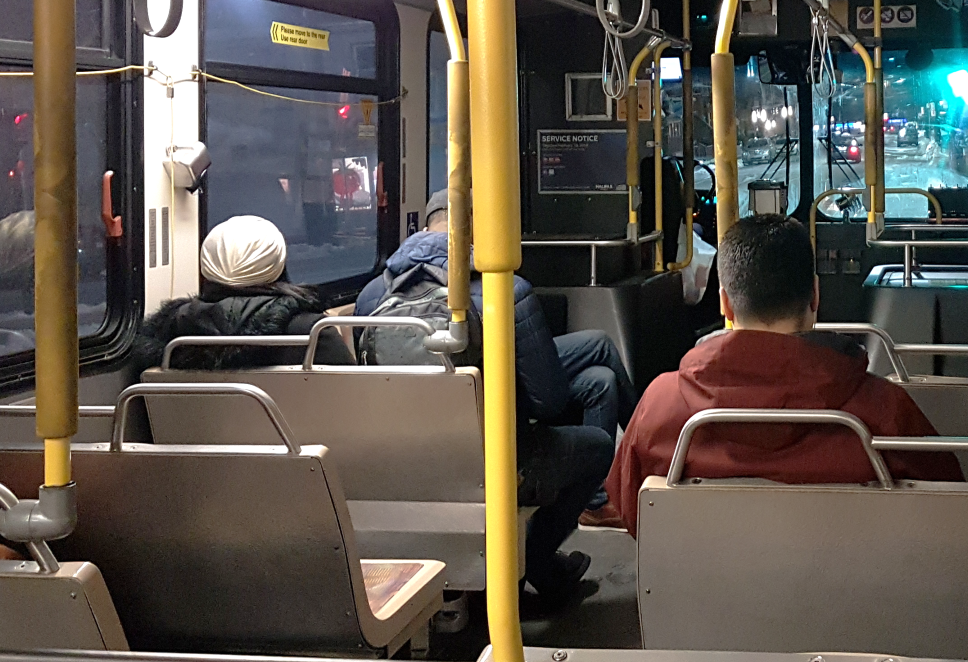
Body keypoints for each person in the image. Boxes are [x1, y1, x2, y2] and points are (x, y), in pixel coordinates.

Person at [605, 214, 962, 537]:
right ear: (816, 296)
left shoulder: (660, 407)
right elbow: (948, 512)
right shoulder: (886, 412)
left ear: (725, 303)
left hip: (702, 605)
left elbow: (632, 513)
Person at [355, 191, 620, 607]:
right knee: (598, 446)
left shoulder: (371, 297)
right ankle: (534, 558)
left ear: (426, 227)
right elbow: (549, 402)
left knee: (598, 377)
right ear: (476, 232)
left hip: (405, 464)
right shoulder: (506, 291)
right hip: (496, 465)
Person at [132, 215, 354, 370]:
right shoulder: (312, 334)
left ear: (206, 269)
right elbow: (353, 401)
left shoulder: (171, 335)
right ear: (278, 267)